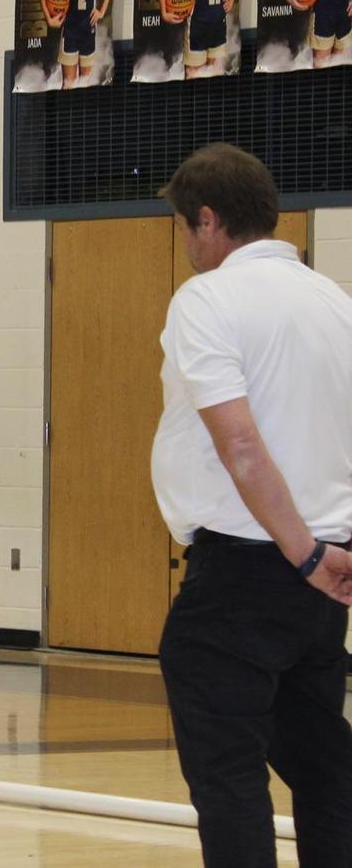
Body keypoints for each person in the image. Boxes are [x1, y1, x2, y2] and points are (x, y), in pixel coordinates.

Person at [151, 143, 352, 867]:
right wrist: (325, 556)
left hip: (253, 569)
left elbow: (239, 443)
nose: (184, 244)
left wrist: (300, 551)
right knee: (323, 764)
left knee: (226, 770)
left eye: (181, 227)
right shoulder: (335, 301)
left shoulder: (208, 299)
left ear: (207, 220)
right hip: (326, 577)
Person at [163, 0, 239, 78]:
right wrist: (164, 12)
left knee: (217, 79)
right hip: (196, 29)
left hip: (218, 27)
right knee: (194, 80)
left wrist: (231, 0)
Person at [48, 0, 113, 89]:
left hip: (88, 31)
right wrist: (50, 19)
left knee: (85, 85)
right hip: (70, 30)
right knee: (69, 83)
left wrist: (101, 11)